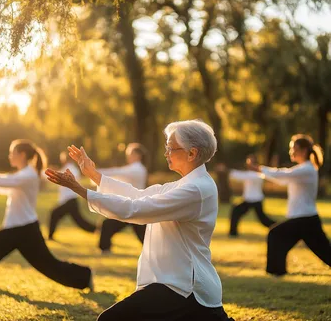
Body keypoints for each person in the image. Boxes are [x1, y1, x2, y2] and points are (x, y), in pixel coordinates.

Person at [45, 119, 234, 321]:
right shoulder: (186, 184)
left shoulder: (194, 189)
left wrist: (80, 190)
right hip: (178, 284)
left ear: (192, 153)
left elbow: (136, 209)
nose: (166, 153)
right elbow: (138, 195)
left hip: (185, 288)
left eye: (171, 148)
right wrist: (94, 175)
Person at [0, 139, 93, 290]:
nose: (9, 156)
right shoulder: (24, 173)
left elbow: (7, 181)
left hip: (24, 230)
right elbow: (6, 186)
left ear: (22, 155)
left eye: (12, 153)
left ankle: (85, 276)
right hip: (17, 229)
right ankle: (84, 276)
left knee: (49, 265)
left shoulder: (28, 175)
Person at [247, 134, 331, 276]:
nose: (291, 151)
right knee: (281, 239)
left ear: (304, 151)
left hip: (305, 219)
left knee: (275, 234)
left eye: (294, 149)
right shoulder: (304, 169)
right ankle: (277, 271)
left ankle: (276, 271)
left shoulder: (307, 169)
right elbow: (283, 180)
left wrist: (259, 169)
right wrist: (262, 172)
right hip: (304, 219)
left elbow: (283, 175)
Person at [95, 143, 148, 254]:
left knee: (144, 235)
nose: (128, 157)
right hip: (132, 207)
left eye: (130, 154)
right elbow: (119, 178)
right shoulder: (136, 169)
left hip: (134, 207)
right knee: (108, 224)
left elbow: (117, 172)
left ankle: (105, 249)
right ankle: (105, 248)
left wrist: (94, 172)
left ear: (137, 155)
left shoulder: (137, 169)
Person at [216, 154, 276, 237]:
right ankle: (233, 233)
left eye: (250, 163)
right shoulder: (251, 174)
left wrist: (226, 170)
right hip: (248, 200)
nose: (248, 165)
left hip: (256, 200)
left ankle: (278, 227)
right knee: (236, 212)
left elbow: (240, 175)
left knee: (264, 220)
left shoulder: (258, 175)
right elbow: (240, 175)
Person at [48, 151, 97, 240]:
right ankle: (97, 230)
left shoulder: (69, 169)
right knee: (79, 221)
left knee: (55, 214)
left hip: (69, 200)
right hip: (70, 200)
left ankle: (98, 230)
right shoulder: (71, 168)